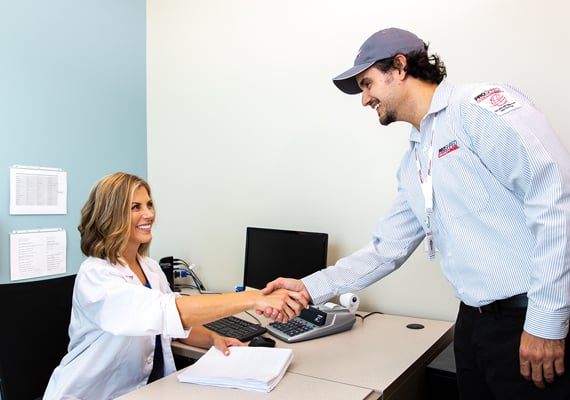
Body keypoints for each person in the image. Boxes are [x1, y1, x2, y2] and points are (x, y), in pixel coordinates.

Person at [260, 27, 570, 399]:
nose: (365, 99)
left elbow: (556, 202)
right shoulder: (415, 161)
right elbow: (385, 249)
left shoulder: (477, 109)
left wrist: (546, 322)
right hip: (473, 323)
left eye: (367, 84)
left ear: (400, 66)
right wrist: (310, 287)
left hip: (527, 318)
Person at [44, 172, 304, 399]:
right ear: (110, 215)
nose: (149, 214)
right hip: (96, 393)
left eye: (149, 204)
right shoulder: (96, 275)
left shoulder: (149, 267)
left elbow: (171, 326)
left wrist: (214, 339)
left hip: (146, 389)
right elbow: (167, 311)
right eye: (135, 207)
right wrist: (254, 298)